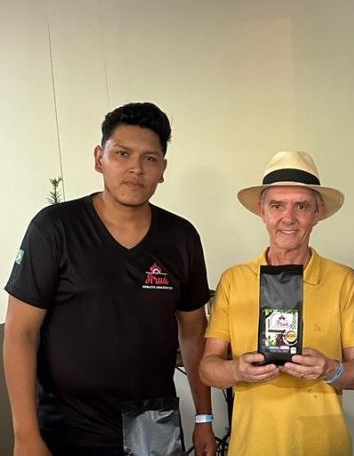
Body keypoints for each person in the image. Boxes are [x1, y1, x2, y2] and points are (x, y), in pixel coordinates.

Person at [3, 102, 217, 456]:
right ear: (99, 158)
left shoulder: (181, 237)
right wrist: (25, 435)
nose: (136, 168)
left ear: (163, 169)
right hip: (68, 428)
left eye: (150, 158)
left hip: (154, 428)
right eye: (122, 153)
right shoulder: (55, 228)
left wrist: (204, 417)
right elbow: (19, 333)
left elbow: (194, 334)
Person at [199, 151, 354, 456]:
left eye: (301, 206)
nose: (288, 218)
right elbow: (207, 369)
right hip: (251, 447)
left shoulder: (344, 280)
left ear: (317, 213)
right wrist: (238, 370)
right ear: (262, 211)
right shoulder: (234, 280)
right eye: (277, 205)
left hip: (324, 447)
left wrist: (329, 369)